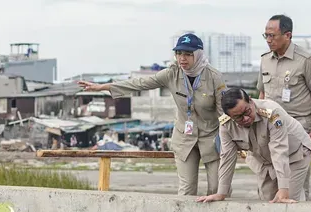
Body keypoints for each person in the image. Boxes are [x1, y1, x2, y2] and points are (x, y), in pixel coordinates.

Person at [79, 34, 226, 195]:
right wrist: (103, 87)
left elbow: (225, 113)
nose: (182, 58)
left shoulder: (214, 77)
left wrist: (231, 141)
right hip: (185, 137)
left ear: (198, 54)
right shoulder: (172, 73)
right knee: (187, 189)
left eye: (188, 54)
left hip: (211, 137)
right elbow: (140, 83)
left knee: (217, 188)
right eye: (179, 54)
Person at [197, 88, 311, 204]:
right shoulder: (226, 125)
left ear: (251, 101)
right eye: (238, 117)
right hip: (264, 160)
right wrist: (221, 193)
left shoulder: (272, 113)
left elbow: (279, 150)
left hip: (294, 153)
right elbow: (227, 157)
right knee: (267, 201)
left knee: (288, 200)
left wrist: (283, 188)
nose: (246, 119)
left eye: (247, 112)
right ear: (230, 117)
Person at [256, 14, 311, 196]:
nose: (269, 40)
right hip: (270, 126)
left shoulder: (306, 59)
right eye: (266, 36)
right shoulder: (265, 60)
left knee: (296, 187)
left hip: (298, 127)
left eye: (273, 35)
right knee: (269, 181)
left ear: (288, 35)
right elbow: (262, 93)